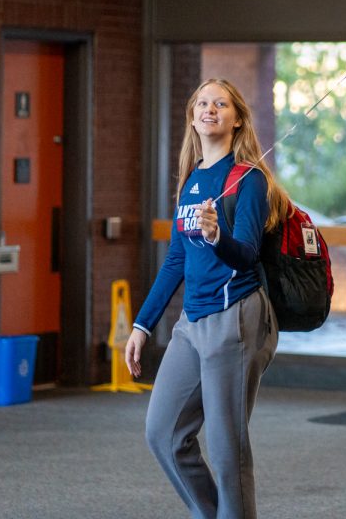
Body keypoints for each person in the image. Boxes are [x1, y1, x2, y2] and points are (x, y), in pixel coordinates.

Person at [125, 78, 286, 519]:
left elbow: (247, 254)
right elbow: (176, 259)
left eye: (221, 103)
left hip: (235, 317)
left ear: (237, 120)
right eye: (202, 102)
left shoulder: (248, 180)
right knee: (163, 433)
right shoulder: (193, 179)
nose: (209, 109)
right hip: (191, 323)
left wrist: (217, 236)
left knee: (226, 448)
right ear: (192, 116)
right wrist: (142, 324)